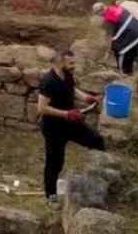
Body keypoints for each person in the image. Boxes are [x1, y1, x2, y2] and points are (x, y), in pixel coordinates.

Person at [37, 50, 105, 211]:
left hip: (71, 123)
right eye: (71, 63)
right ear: (59, 63)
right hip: (54, 128)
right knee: (55, 163)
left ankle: (99, 177)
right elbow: (41, 108)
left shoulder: (67, 75)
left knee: (97, 141)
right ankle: (51, 195)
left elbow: (72, 89)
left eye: (74, 62)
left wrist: (87, 97)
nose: (74, 66)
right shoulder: (48, 82)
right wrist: (66, 113)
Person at [94, 2, 138, 75]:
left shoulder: (108, 18)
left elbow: (110, 36)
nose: (99, 15)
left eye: (98, 13)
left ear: (100, 11)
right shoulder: (114, 8)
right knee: (128, 47)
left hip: (133, 32)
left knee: (120, 49)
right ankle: (132, 66)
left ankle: (124, 72)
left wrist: (109, 49)